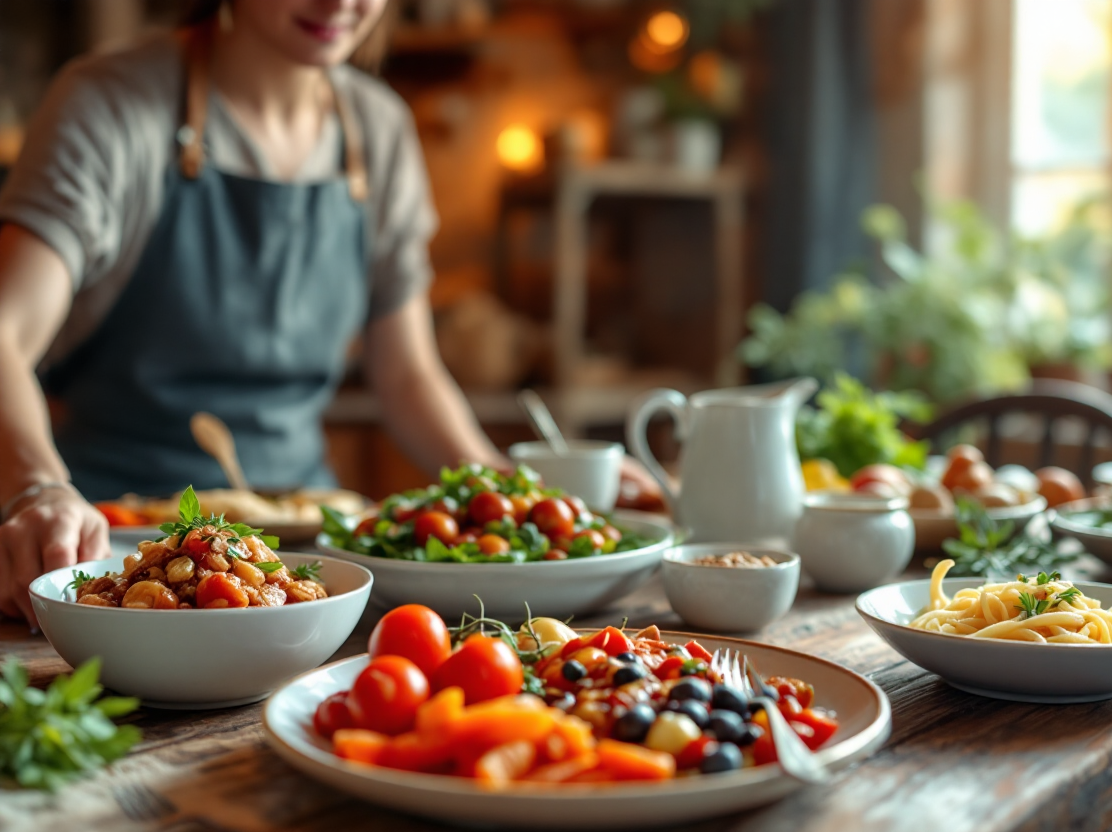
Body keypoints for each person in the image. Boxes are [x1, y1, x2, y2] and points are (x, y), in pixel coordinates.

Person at [0, 0, 656, 626]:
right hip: (115, 546)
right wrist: (39, 488)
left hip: (306, 567)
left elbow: (408, 375)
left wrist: (513, 496)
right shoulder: (110, 105)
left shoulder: (379, 128)